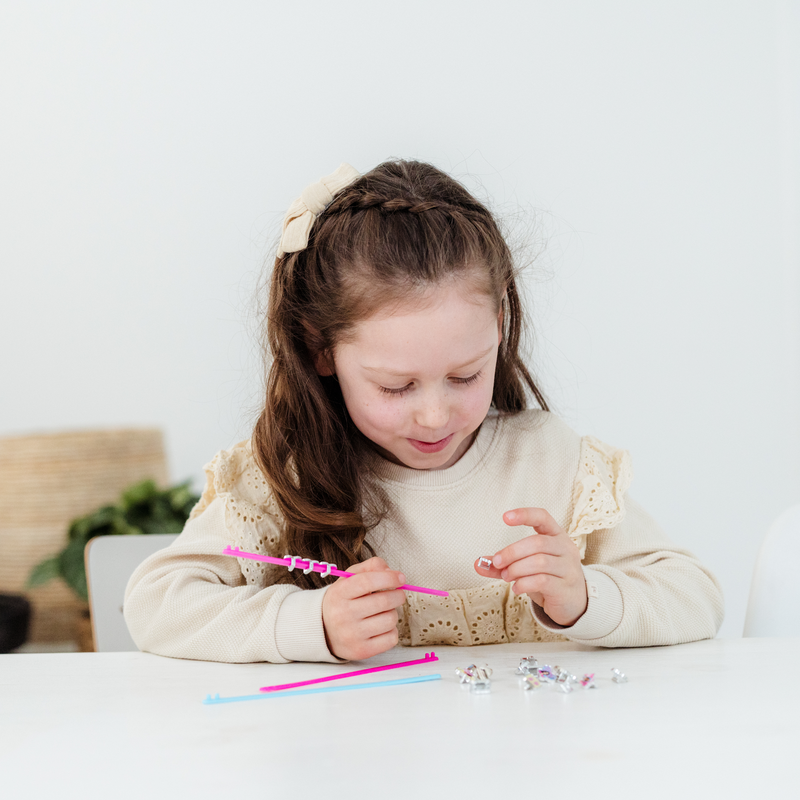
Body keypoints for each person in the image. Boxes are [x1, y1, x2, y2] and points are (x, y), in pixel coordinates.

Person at [124, 159, 724, 664]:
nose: (435, 416)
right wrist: (312, 623)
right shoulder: (287, 474)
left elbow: (695, 595)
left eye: (465, 376)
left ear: (498, 331)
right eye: (396, 387)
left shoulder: (550, 460)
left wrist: (588, 597)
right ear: (321, 350)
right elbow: (157, 602)